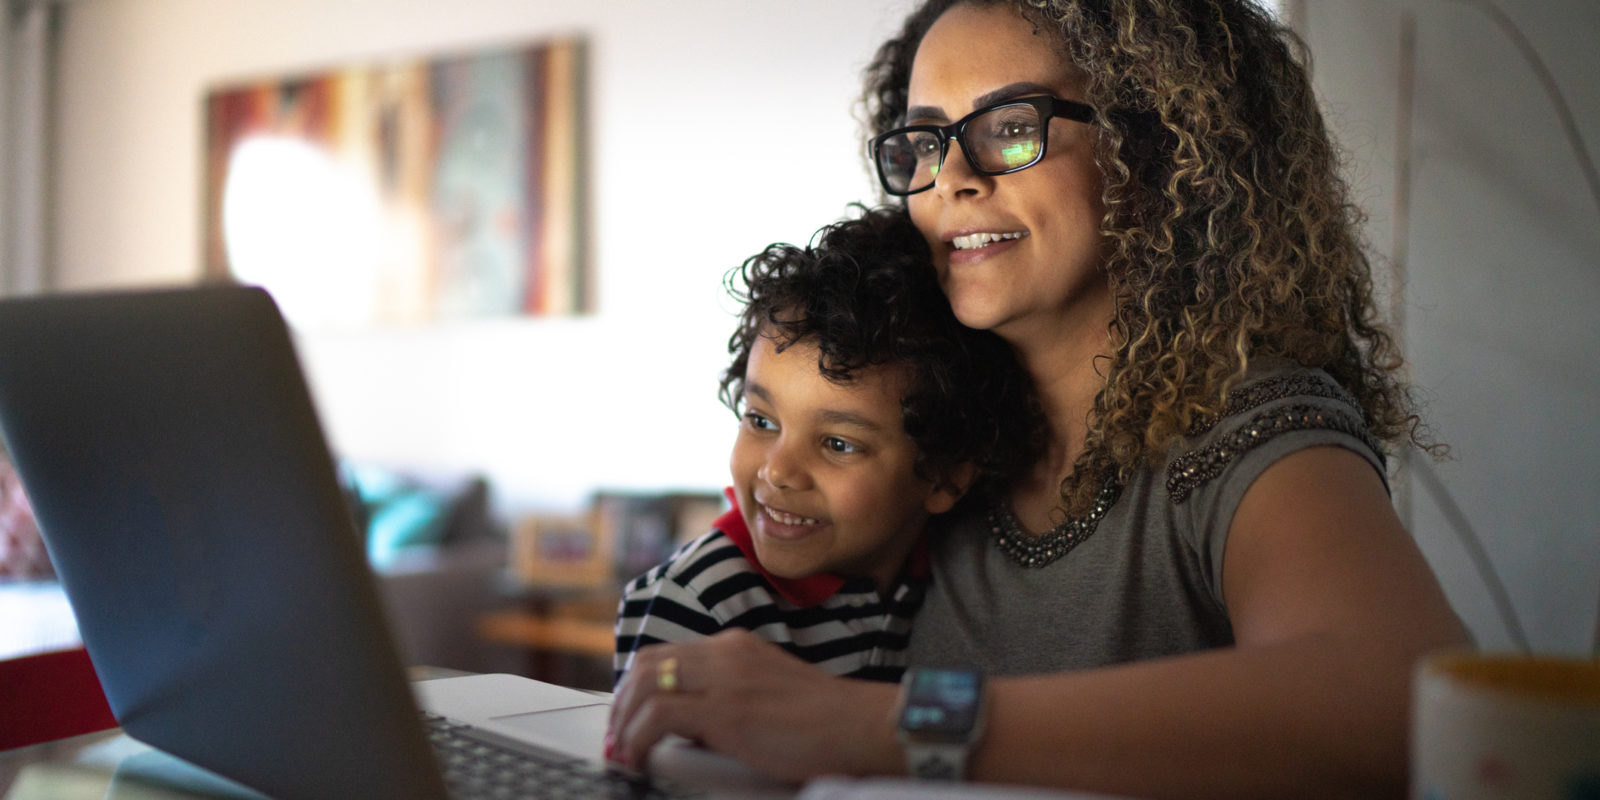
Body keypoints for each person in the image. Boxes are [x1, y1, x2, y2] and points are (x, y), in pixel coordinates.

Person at [608, 2, 1472, 798]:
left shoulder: (1243, 428)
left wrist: (877, 727)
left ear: (1156, 146)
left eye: (1011, 128)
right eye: (923, 141)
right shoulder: (936, 424)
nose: (950, 178)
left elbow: (1401, 695)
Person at [612, 206, 1039, 686]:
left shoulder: (952, 577)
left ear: (945, 476)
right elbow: (651, 754)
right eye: (760, 420)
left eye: (837, 443)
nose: (778, 472)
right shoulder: (698, 602)